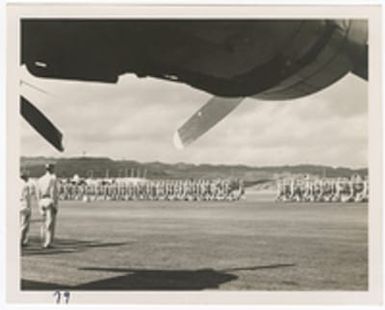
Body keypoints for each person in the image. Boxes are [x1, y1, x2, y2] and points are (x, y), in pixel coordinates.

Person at [37, 163, 59, 248]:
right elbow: (53, 192)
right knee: (50, 223)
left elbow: (37, 193)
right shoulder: (52, 179)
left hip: (42, 200)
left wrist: (39, 204)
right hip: (49, 200)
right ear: (52, 169)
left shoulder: (40, 179)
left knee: (44, 222)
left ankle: (43, 239)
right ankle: (48, 242)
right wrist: (55, 204)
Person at [20, 171, 32, 247]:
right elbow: (26, 197)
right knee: (24, 225)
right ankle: (21, 241)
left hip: (17, 205)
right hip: (24, 205)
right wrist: (29, 208)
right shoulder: (25, 185)